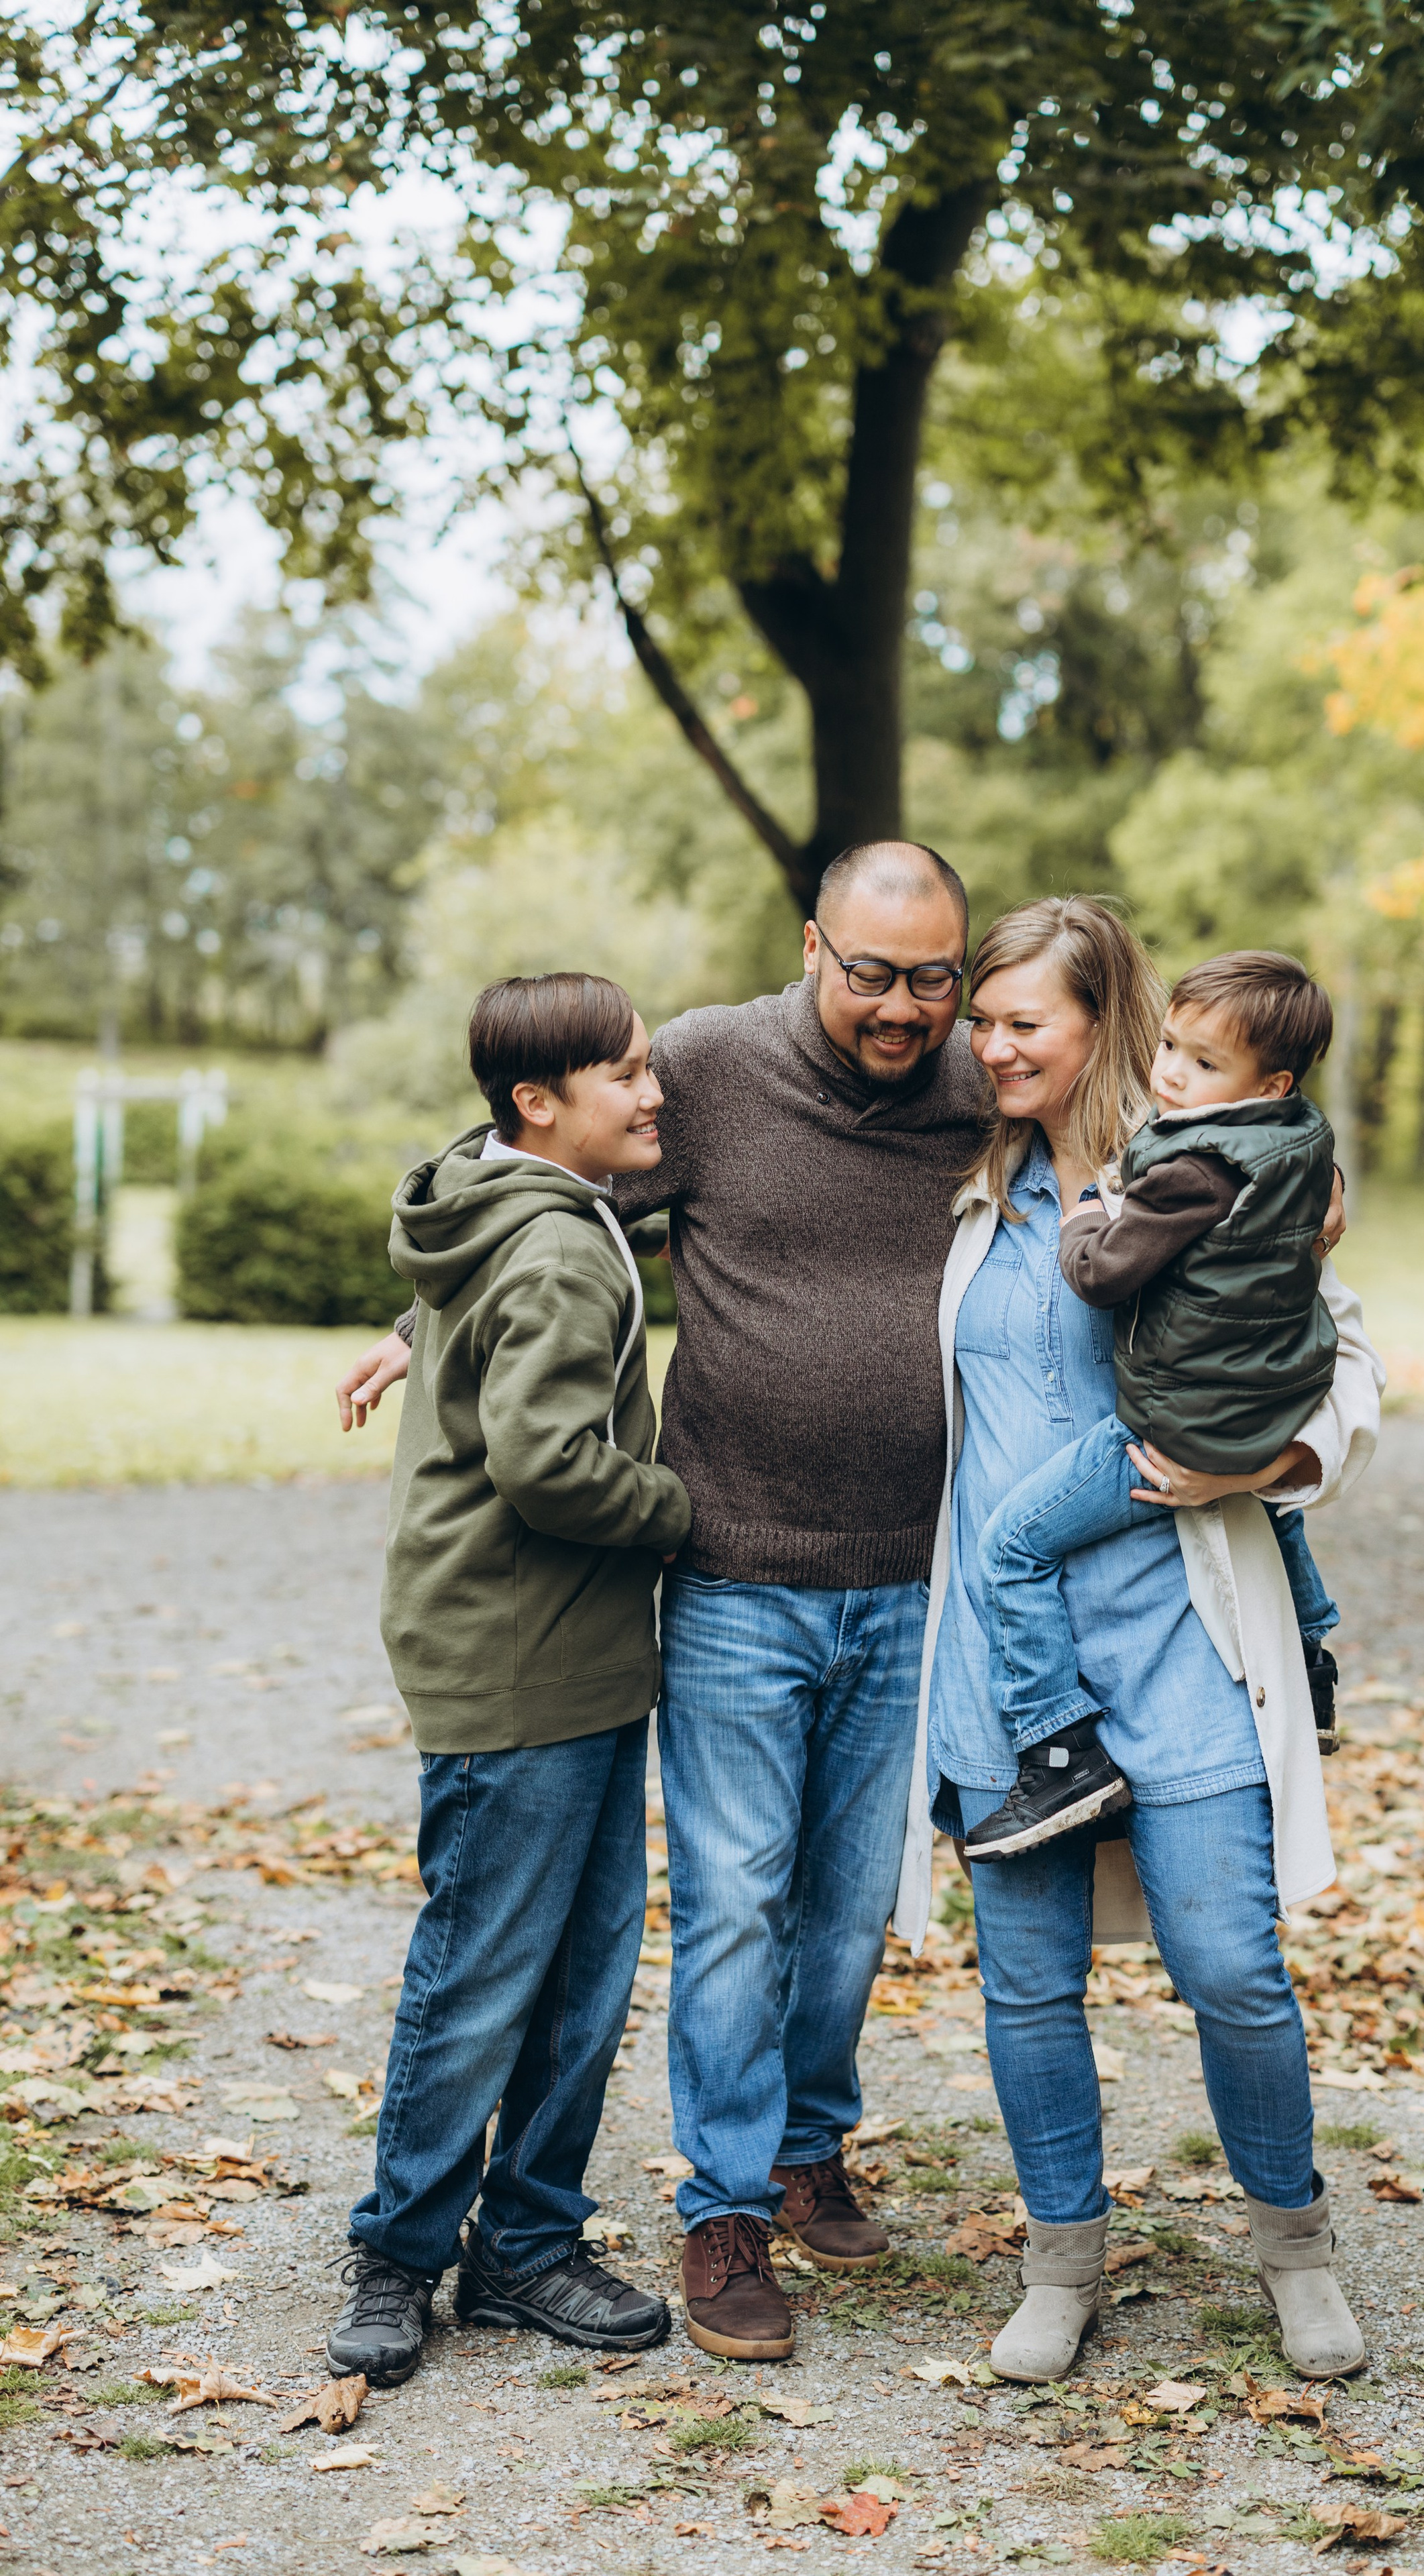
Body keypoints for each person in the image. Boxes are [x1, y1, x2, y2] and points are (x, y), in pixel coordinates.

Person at [335, 842, 994, 2362]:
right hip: (732, 1579)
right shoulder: (696, 1065)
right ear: (811, 945)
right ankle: (720, 2210)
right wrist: (417, 1320)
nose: (904, 1008)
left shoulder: (980, 1078)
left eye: (933, 976)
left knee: (840, 1915)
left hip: (908, 1568)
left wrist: (1291, 1190)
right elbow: (549, 1190)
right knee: (726, 1903)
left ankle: (797, 2145)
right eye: (872, 972)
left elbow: (1136, 1151)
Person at [891, 897, 1382, 2387]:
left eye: (1019, 1024)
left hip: (1178, 1635)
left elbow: (1343, 1358)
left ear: (1101, 1026)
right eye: (981, 1024)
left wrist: (1270, 1466)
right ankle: (1062, 2262)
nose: (988, 1048)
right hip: (1007, 1653)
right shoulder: (969, 1196)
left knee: (1230, 1963)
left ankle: (1293, 2249)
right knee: (1024, 1981)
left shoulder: (1205, 1173)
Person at [325, 972, 692, 2387]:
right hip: (515, 1656)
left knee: (585, 1977)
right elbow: (545, 1469)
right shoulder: (556, 1253)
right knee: (482, 1976)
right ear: (540, 1104)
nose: (654, 1095)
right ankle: (398, 2257)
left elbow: (486, 1304)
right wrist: (680, 1508)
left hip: (577, 1659)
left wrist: (414, 1333)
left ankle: (526, 2245)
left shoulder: (523, 1204)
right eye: (626, 1076)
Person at [964, 951, 1344, 1862]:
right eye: (1171, 1048)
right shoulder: (1295, 1140)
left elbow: (1100, 1273)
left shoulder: (1184, 1163)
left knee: (1011, 1548)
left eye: (1202, 1062)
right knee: (1269, 1511)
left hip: (1176, 1426)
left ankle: (1059, 1750)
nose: (1173, 1072)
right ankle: (1313, 1646)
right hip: (1278, 1383)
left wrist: (1092, 1204)